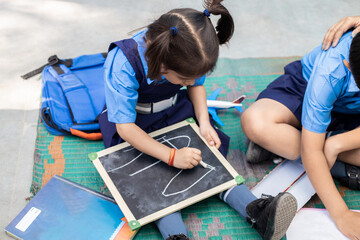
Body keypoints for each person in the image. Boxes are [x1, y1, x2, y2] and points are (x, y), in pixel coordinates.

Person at [98, 1, 297, 239]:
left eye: (196, 76)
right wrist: (171, 156)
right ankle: (175, 235)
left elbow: (197, 88)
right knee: (149, 177)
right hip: (135, 126)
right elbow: (126, 128)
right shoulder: (123, 62)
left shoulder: (185, 49)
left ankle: (256, 212)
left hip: (174, 112)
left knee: (211, 159)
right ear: (162, 66)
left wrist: (203, 122)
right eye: (184, 79)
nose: (191, 83)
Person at [241, 17, 360, 239]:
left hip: (350, 117)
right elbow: (311, 150)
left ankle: (309, 146)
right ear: (348, 66)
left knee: (315, 147)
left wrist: (338, 143)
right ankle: (322, 153)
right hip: (304, 89)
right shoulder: (330, 71)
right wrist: (341, 214)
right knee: (255, 122)